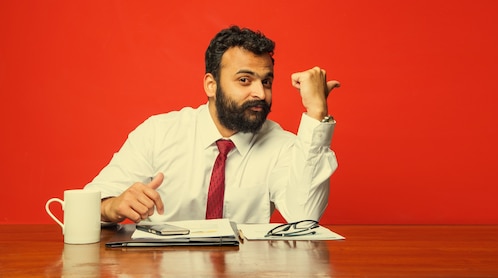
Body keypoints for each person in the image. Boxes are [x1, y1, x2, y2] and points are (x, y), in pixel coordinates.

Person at [84, 26, 340, 224]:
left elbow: (305, 216)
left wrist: (317, 114)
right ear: (211, 85)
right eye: (244, 80)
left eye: (266, 82)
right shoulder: (158, 133)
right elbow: (86, 205)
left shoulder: (282, 145)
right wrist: (111, 206)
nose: (260, 94)